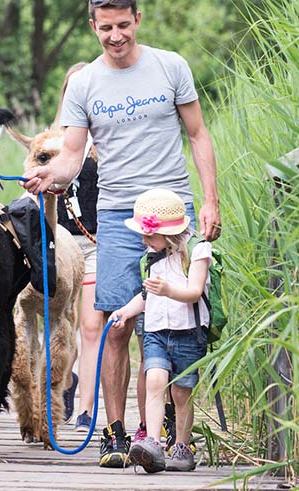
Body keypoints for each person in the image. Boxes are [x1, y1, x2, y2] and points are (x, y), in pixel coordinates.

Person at [22, 0, 220, 469]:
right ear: (93, 26)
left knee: (177, 323)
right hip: (116, 214)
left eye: (124, 25)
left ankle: (170, 433)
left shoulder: (170, 66)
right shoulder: (86, 83)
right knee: (117, 325)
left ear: (138, 20)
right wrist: (48, 176)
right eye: (106, 28)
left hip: (172, 213)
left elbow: (197, 135)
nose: (116, 36)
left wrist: (210, 201)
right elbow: (71, 155)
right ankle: (114, 436)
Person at [111, 188, 210, 473]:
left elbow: (193, 291)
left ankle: (181, 444)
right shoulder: (151, 256)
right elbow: (146, 296)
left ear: (169, 235)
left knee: (181, 392)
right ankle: (153, 443)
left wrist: (168, 290)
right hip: (156, 331)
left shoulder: (197, 251)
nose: (143, 240)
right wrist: (125, 312)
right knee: (154, 380)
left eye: (148, 235)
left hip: (187, 332)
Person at [53, 63, 101, 433]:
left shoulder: (107, 141)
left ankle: (85, 405)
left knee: (89, 326)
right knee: (59, 322)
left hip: (95, 244)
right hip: (60, 245)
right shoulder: (52, 142)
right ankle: (61, 385)